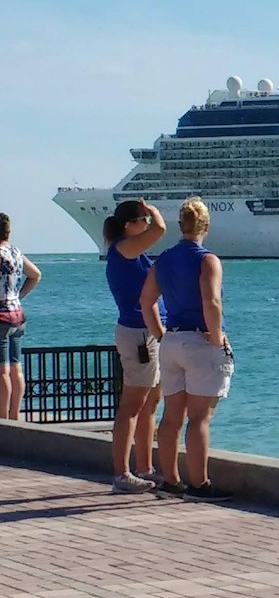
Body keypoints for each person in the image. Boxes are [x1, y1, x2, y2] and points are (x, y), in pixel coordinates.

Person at [139, 198, 233, 496]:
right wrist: (217, 337)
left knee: (171, 416)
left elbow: (146, 302)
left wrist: (162, 334)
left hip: (172, 341)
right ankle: (200, 483)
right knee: (200, 417)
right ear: (206, 225)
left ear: (181, 225)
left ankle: (170, 480)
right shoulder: (208, 260)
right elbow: (211, 301)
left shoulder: (163, 260)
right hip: (200, 340)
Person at [102, 198, 167, 492]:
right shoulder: (123, 249)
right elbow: (161, 230)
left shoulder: (132, 252)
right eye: (144, 220)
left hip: (149, 332)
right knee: (132, 404)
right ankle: (122, 473)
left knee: (150, 403)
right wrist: (154, 212)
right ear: (130, 225)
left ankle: (145, 467)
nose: (148, 225)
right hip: (138, 334)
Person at [0, 215, 40, 421]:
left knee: (2, 371)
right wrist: (18, 295)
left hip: (1, 316)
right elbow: (35, 274)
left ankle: (3, 420)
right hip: (17, 314)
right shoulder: (15, 252)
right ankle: (15, 417)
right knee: (16, 368)